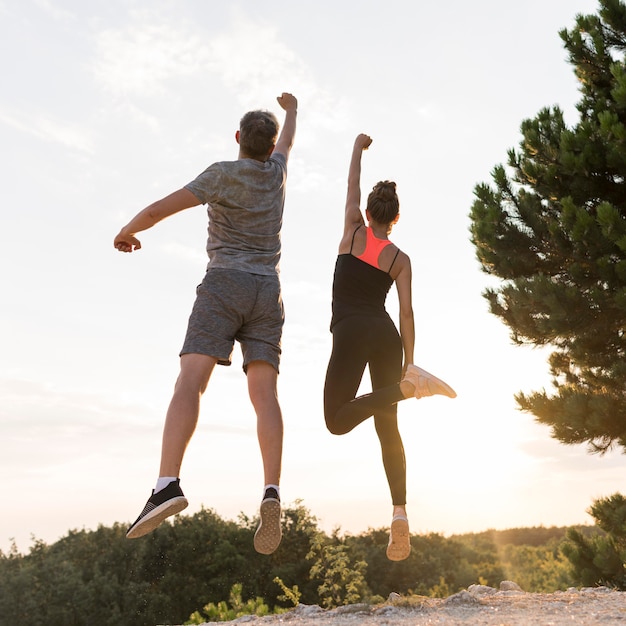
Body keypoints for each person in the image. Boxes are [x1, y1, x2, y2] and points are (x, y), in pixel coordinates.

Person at [114, 92, 298, 555]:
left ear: (238, 138)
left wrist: (128, 230)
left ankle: (166, 484)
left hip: (223, 285)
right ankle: (272, 489)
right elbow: (288, 145)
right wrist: (293, 111)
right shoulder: (276, 174)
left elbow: (160, 209)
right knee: (265, 395)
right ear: (270, 144)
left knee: (191, 382)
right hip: (266, 292)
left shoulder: (221, 174)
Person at [323, 133, 456, 561]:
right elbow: (407, 313)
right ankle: (399, 514)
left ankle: (405, 389)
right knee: (388, 429)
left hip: (349, 331)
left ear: (368, 213)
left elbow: (350, 186)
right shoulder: (400, 259)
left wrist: (357, 150)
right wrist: (410, 363)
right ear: (395, 220)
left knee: (337, 421)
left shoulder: (351, 230)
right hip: (385, 335)